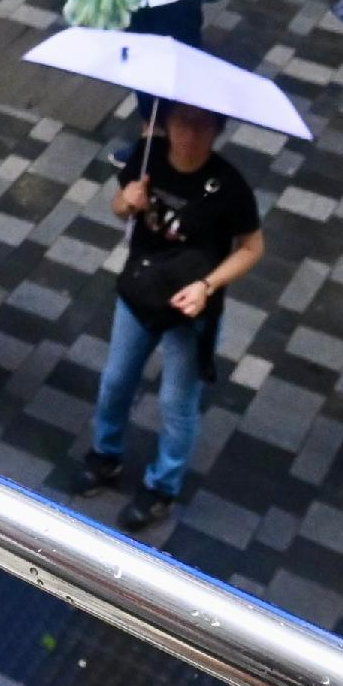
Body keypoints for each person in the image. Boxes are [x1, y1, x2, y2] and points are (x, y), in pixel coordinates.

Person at [83, 102, 267, 532]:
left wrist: (207, 286)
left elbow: (252, 249)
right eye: (183, 122)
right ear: (166, 123)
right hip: (139, 294)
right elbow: (118, 206)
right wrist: (125, 202)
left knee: (176, 401)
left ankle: (162, 487)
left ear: (218, 129)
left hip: (190, 308)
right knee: (116, 380)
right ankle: (105, 454)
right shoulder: (145, 157)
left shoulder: (230, 187)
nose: (192, 134)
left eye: (204, 125)